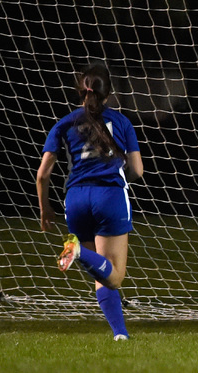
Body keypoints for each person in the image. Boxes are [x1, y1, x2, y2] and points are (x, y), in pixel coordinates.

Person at [36, 63, 143, 339]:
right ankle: (79, 252)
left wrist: (45, 209)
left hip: (76, 200)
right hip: (109, 196)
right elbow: (138, 171)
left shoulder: (64, 124)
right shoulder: (121, 121)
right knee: (115, 275)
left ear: (79, 91)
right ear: (107, 93)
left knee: (101, 271)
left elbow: (42, 175)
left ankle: (120, 334)